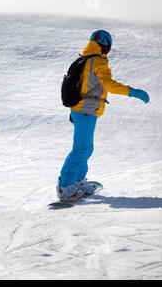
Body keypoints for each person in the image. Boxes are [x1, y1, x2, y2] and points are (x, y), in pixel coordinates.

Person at [57, 30, 150, 202]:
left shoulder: (85, 59)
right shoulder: (97, 61)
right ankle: (66, 187)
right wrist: (132, 92)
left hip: (82, 110)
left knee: (86, 148)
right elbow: (109, 84)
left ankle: (77, 181)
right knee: (80, 149)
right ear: (105, 45)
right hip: (86, 110)